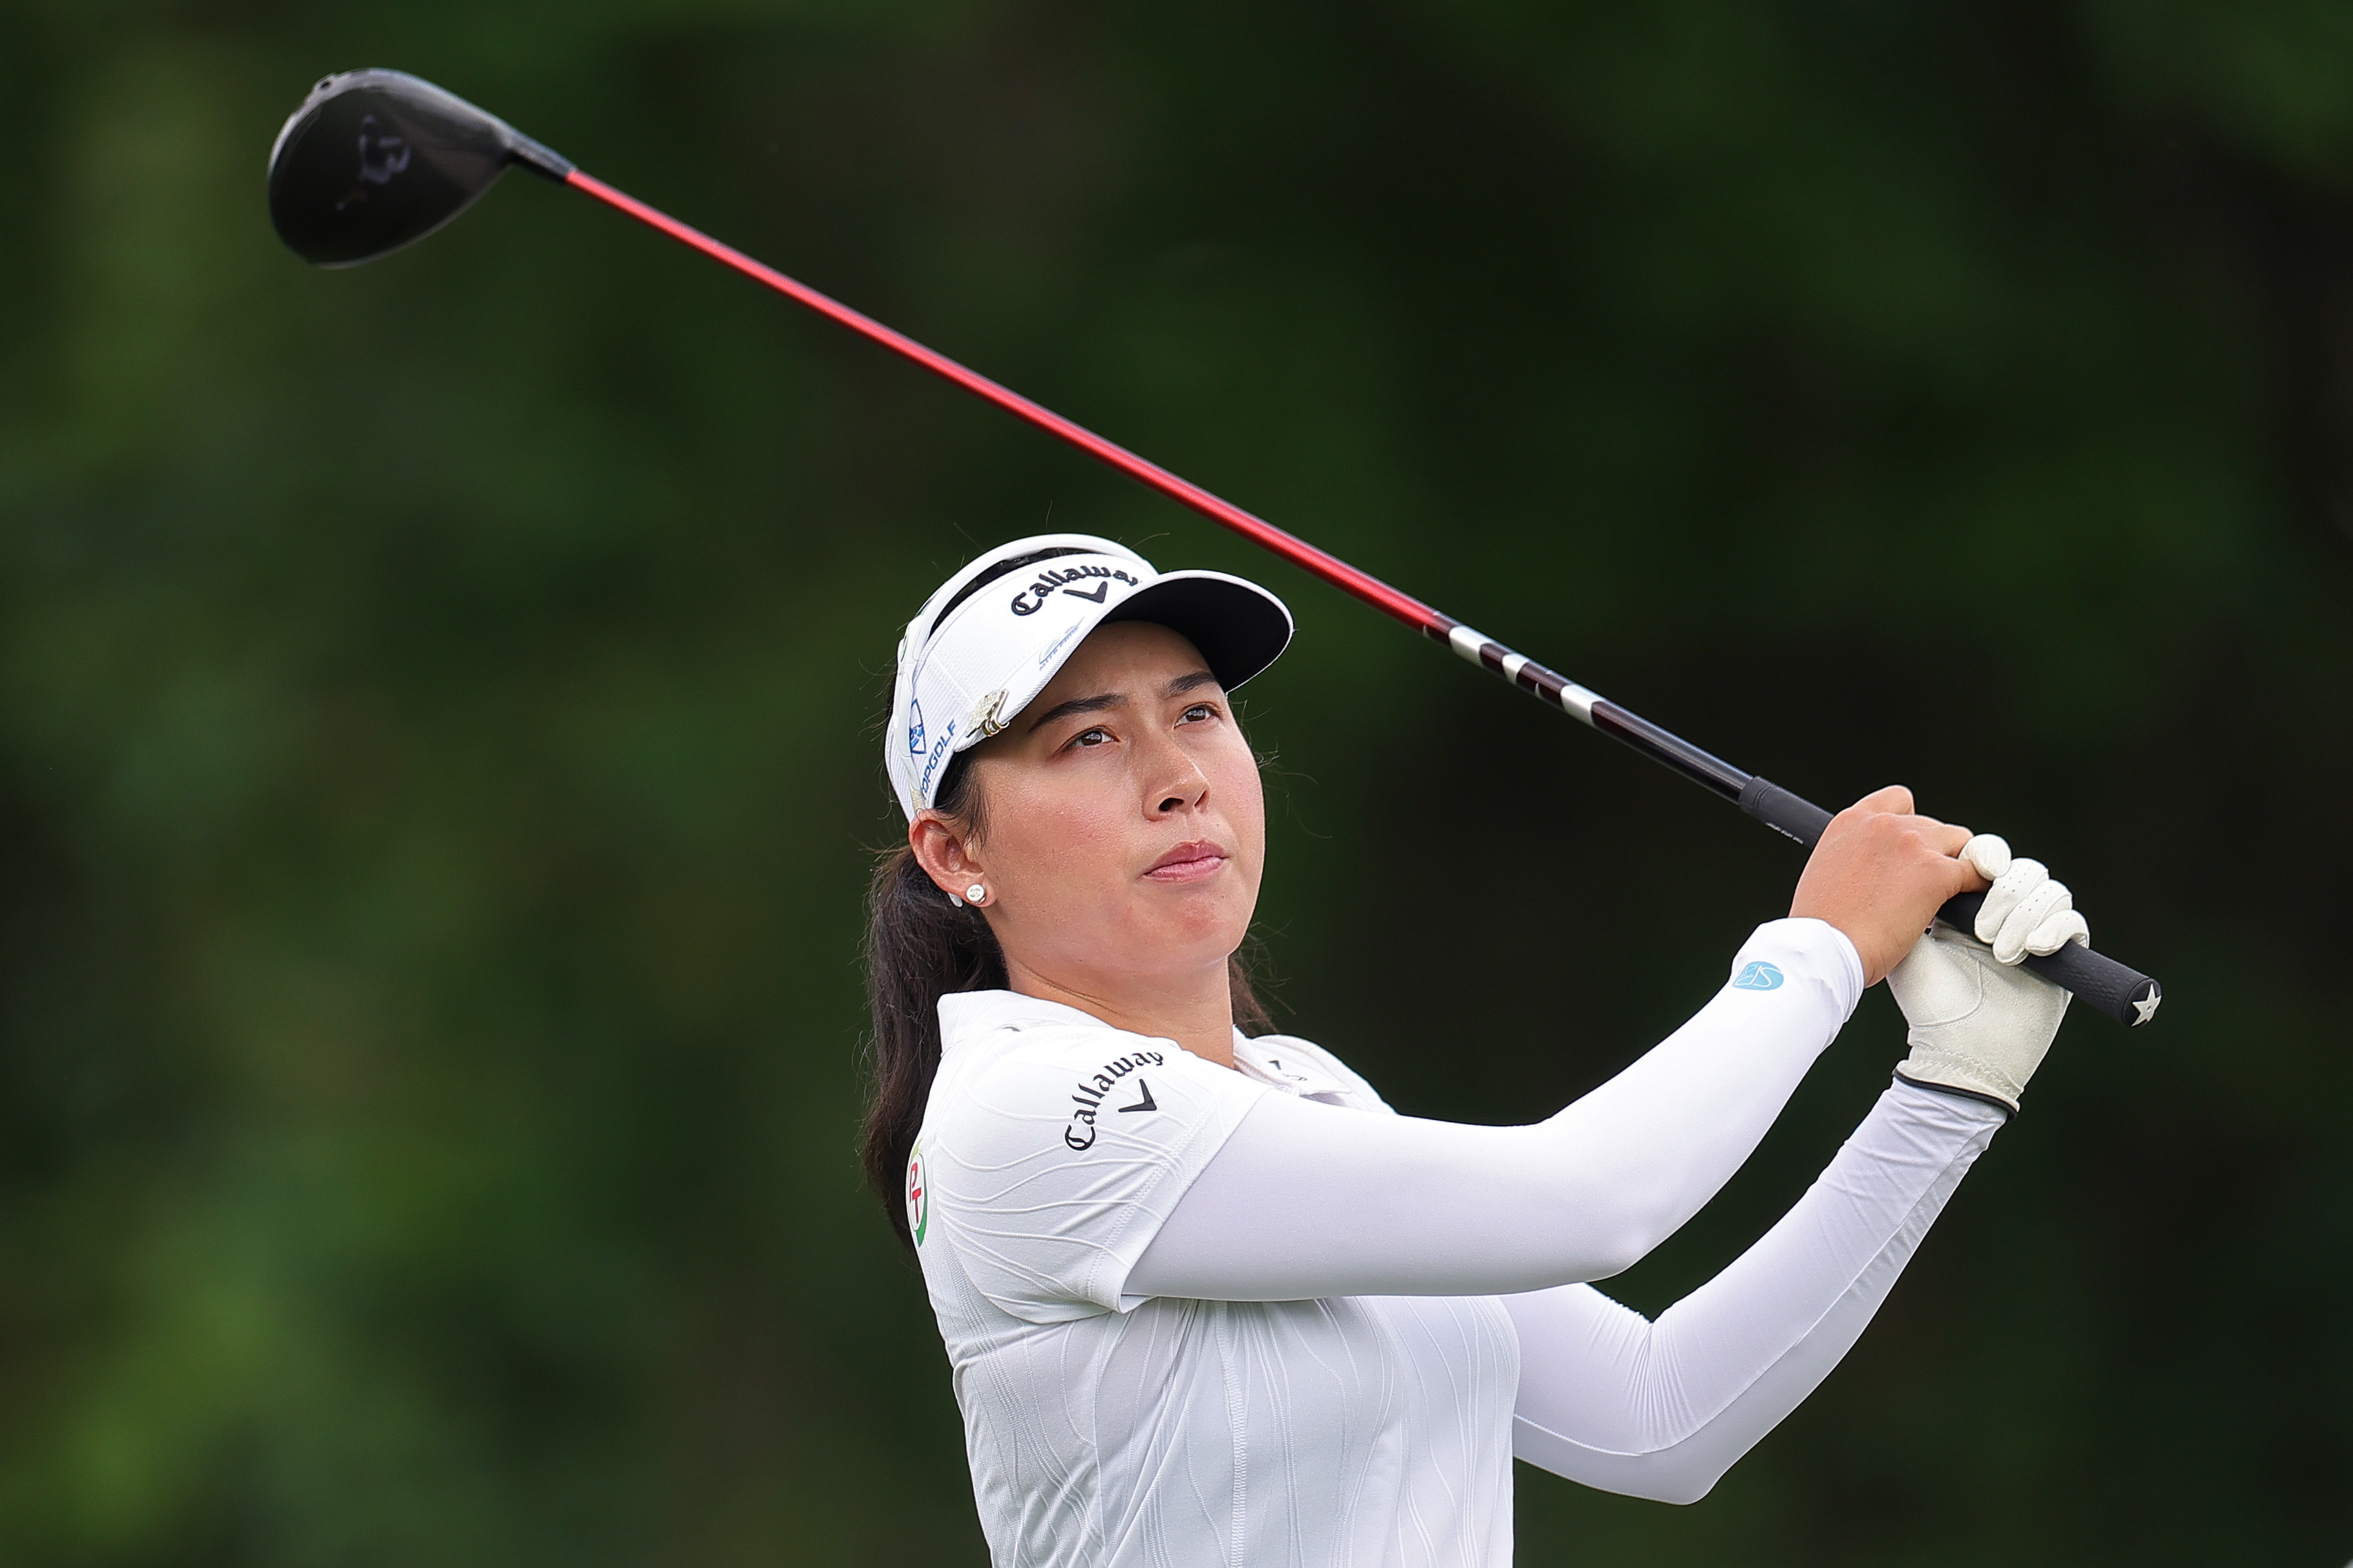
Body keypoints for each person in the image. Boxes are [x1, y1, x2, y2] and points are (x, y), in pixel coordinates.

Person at [862, 533, 2091, 1568]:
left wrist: (1950, 1088)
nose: (1180, 775)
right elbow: (1591, 1199)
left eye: (1198, 713)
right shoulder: (1023, 1111)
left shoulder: (1308, 1091)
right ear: (956, 854)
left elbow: (1655, 1417)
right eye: (1089, 739)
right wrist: (1819, 952)